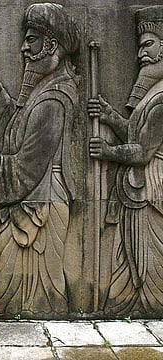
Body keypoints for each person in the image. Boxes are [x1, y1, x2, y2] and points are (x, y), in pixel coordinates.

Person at [0, 3, 80, 314]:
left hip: (41, 199)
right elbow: (21, 129)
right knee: (17, 280)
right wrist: (1, 96)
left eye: (31, 40)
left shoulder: (54, 97)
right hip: (34, 196)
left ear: (51, 45)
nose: (23, 48)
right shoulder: (43, 89)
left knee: (36, 284)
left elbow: (30, 163)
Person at [88, 5, 163, 315]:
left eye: (148, 45)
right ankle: (131, 303)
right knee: (131, 255)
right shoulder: (153, 93)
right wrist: (109, 116)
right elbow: (134, 134)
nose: (140, 55)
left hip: (149, 188)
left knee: (150, 258)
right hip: (134, 192)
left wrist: (108, 152)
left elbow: (142, 152)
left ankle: (150, 304)